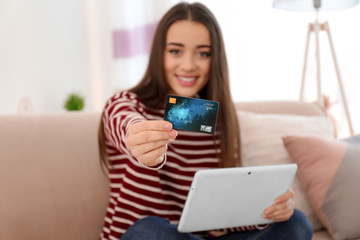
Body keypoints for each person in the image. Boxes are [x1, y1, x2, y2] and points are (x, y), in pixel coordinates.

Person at [98, 2, 313, 240]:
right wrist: (138, 137)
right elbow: (124, 123)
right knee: (150, 230)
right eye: (175, 51)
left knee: (296, 223)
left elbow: (224, 212)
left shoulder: (218, 121)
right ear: (159, 53)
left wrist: (269, 210)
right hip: (145, 235)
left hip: (196, 237)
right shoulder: (128, 103)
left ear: (215, 59)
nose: (189, 65)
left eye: (203, 53)